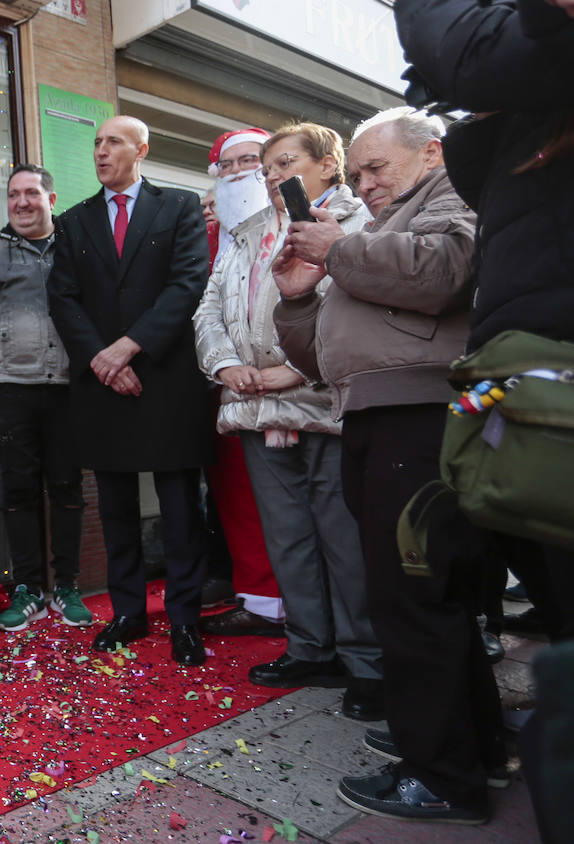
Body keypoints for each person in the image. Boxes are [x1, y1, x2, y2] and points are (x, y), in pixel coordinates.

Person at [271, 107, 497, 824]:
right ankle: (470, 745)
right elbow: (324, 355)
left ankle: (441, 773)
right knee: (420, 598)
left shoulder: (454, 194)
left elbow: (446, 273)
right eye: (360, 172)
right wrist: (298, 301)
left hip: (418, 418)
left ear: (430, 153)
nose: (364, 184)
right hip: (374, 416)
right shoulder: (378, 228)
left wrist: (337, 252)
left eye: (377, 168)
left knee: (415, 600)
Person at [395, 0, 574, 839]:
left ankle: (460, 766)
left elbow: (434, 8)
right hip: (529, 412)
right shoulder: (520, 128)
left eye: (371, 174)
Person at [194, 123, 382, 719]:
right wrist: (226, 365)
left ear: (329, 165)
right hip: (254, 405)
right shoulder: (244, 232)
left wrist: (298, 373)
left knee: (343, 541)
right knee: (289, 539)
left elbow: (356, 312)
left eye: (285, 162)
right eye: (268, 167)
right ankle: (309, 647)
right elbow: (209, 307)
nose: (273, 176)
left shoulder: (358, 224)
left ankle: (366, 663)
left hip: (325, 406)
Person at [48, 115, 212, 666]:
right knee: (115, 506)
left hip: (165, 377)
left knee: (180, 507)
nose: (101, 150)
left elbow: (188, 282)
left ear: (141, 149)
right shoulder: (73, 221)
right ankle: (127, 613)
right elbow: (63, 299)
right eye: (96, 142)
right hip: (101, 382)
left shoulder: (180, 206)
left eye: (113, 141)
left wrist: (130, 347)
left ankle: (185, 620)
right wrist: (104, 359)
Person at [0, 164, 89, 632]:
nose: (22, 202)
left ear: (51, 199)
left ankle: (66, 585)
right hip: (11, 388)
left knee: (68, 487)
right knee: (19, 490)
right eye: (14, 195)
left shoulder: (76, 248)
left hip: (71, 388)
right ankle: (27, 587)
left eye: (31, 193)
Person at [197, 128, 285, 636]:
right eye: (225, 166)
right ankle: (261, 601)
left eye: (249, 162)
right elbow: (205, 310)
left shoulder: (302, 218)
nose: (237, 173)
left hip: (296, 388)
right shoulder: (214, 237)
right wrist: (225, 364)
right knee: (236, 497)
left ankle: (312, 607)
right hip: (230, 389)